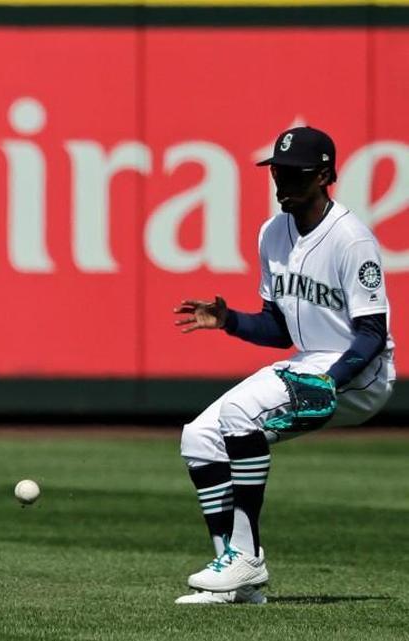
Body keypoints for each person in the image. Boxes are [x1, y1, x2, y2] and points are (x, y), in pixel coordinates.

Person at [172, 126, 395, 604]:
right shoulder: (272, 232)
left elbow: (372, 334)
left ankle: (247, 556)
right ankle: (236, 581)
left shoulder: (351, 239)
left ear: (324, 177)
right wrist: (230, 321)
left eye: (296, 174)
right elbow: (278, 327)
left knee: (239, 416)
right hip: (306, 361)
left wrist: (330, 382)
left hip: (359, 374)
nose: (283, 182)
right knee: (199, 436)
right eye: (278, 172)